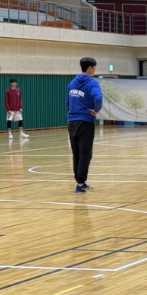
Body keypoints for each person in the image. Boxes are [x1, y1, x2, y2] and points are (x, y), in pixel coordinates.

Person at [67, 57, 102, 193]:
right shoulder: (92, 83)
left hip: (71, 122)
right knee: (85, 154)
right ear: (90, 68)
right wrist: (96, 110)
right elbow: (98, 98)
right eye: (94, 68)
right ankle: (81, 183)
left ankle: (80, 182)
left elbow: (67, 102)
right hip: (85, 122)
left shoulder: (72, 83)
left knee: (76, 153)